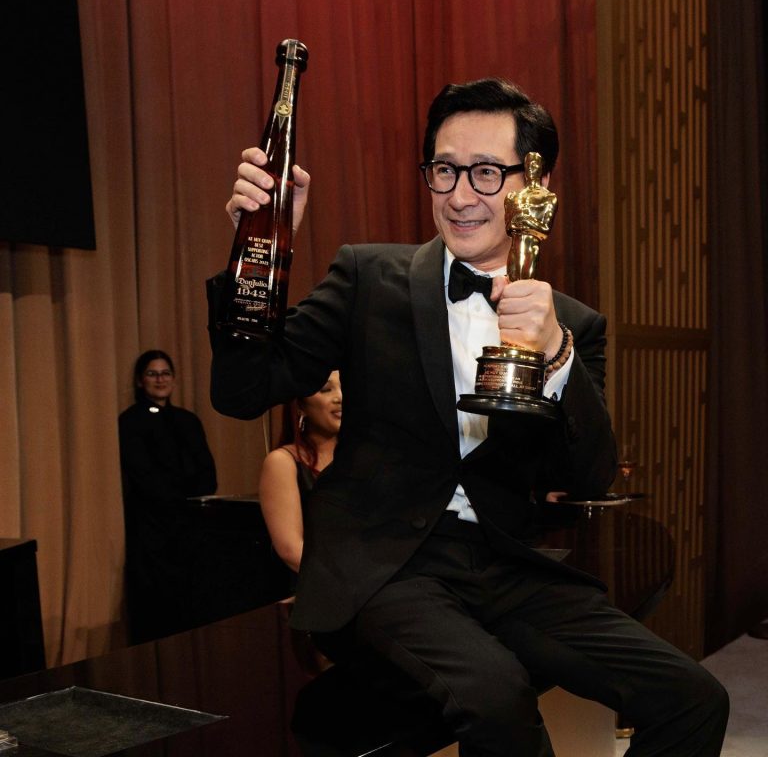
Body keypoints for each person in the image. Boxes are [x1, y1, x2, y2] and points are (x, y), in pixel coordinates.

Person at [208, 78, 728, 756]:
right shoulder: (368, 276)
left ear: (536, 185)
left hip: (505, 565)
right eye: (445, 169)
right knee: (498, 698)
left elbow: (590, 475)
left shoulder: (574, 323)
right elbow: (243, 391)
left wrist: (557, 356)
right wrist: (258, 257)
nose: (459, 195)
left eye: (486, 172)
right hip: (384, 567)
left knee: (693, 697)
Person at [118, 349, 217, 643]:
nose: (160, 379)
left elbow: (207, 473)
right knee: (157, 608)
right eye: (152, 374)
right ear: (140, 380)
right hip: (152, 530)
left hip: (190, 529)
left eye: (165, 373)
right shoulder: (130, 421)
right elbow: (143, 476)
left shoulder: (187, 420)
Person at [259, 371, 342, 576]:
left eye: (345, 387)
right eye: (326, 389)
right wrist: (348, 582)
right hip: (318, 584)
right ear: (300, 406)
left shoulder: (362, 456)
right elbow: (291, 550)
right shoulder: (282, 462)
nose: (340, 397)